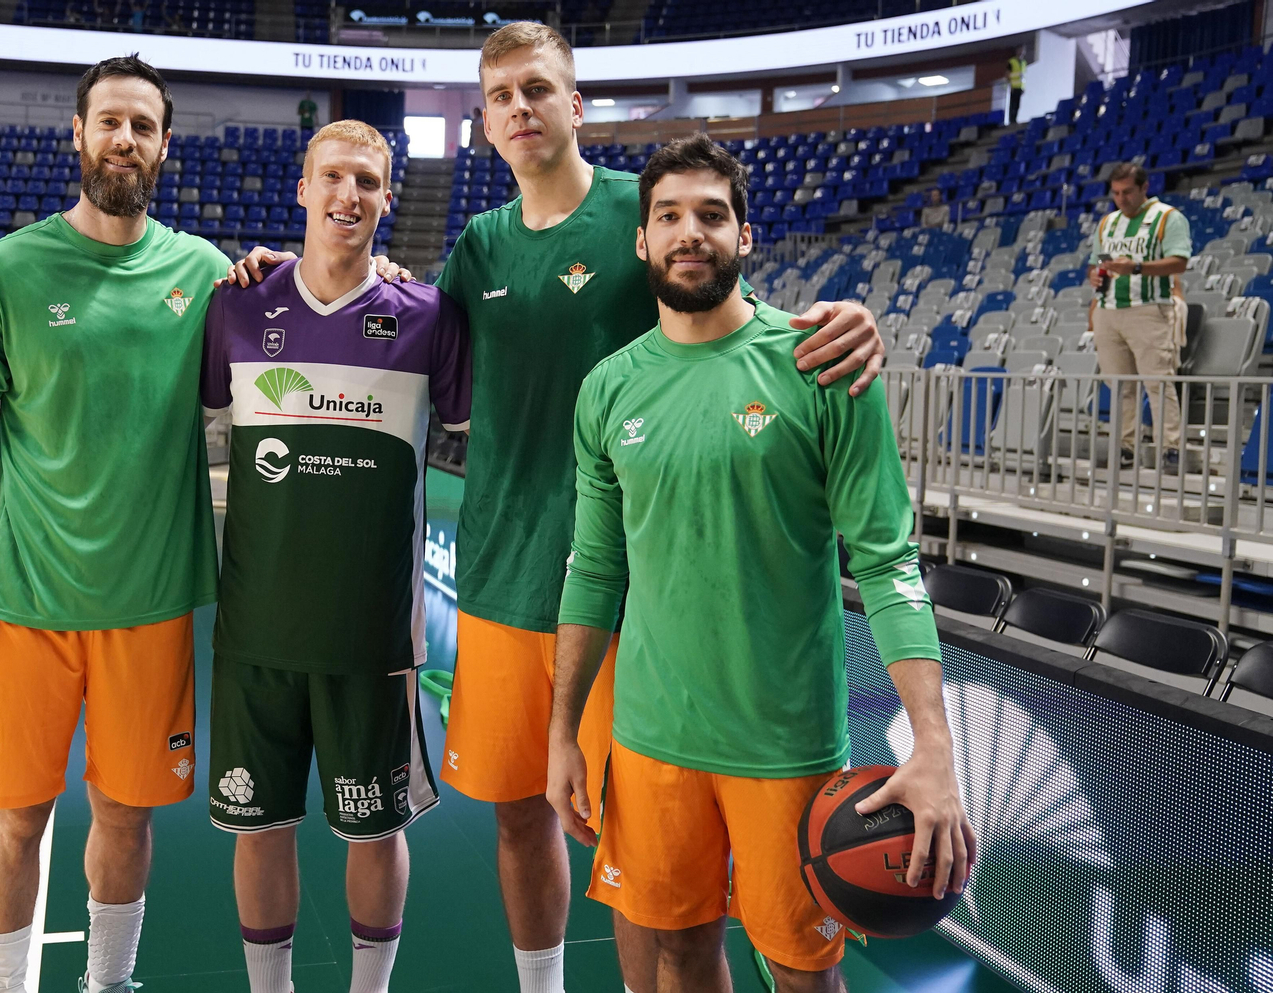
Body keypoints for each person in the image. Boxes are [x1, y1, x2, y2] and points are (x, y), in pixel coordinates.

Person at [0, 56, 410, 993]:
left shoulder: (207, 275)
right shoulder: (5, 272)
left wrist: (372, 265)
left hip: (150, 608)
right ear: (78, 133)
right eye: (109, 121)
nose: (124, 140)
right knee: (16, 818)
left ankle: (107, 983)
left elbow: (316, 293)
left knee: (125, 817)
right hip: (25, 602)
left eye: (142, 127)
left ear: (163, 147)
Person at [431, 23, 889, 993]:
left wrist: (848, 319)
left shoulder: (641, 219)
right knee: (524, 814)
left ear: (574, 105)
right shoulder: (476, 247)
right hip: (502, 575)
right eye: (502, 95)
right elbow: (410, 334)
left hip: (625, 598)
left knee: (633, 872)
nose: (520, 108)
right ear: (483, 119)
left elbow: (735, 323)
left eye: (538, 90)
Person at [547, 133, 974, 993]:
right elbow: (594, 568)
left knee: (800, 967)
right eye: (668, 215)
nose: (689, 231)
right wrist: (562, 732)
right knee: (678, 950)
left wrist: (935, 742)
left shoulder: (821, 364)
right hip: (651, 737)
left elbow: (888, 563)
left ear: (747, 237)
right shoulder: (608, 388)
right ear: (642, 241)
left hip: (787, 745)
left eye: (712, 214)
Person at [200, 119, 471, 993]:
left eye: (367, 181)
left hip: (375, 638)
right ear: (303, 189)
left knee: (375, 827)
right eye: (333, 178)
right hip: (256, 630)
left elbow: (487, 427)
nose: (348, 195)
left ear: (389, 198)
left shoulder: (428, 316)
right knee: (259, 824)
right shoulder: (237, 302)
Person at [1086, 162, 1192, 472]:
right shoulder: (1106, 223)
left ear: (1144, 188)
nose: (1121, 198)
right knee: (1119, 386)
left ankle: (1170, 449)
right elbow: (1094, 264)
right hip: (1108, 310)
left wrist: (1135, 267)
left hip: (1148, 309)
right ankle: (1125, 448)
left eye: (1128, 192)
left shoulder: (1168, 218)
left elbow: (1179, 262)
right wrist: (1093, 276)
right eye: (1116, 193)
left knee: (1158, 382)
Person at [1008, 47, 1027, 125]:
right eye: (1020, 51)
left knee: (1018, 105)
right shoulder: (1012, 62)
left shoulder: (1024, 62)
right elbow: (1008, 74)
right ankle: (1011, 120)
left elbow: (1023, 76)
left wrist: (1023, 87)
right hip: (1013, 87)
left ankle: (1015, 119)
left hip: (1020, 87)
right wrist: (1010, 86)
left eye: (1023, 51)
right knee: (1013, 104)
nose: (1021, 53)